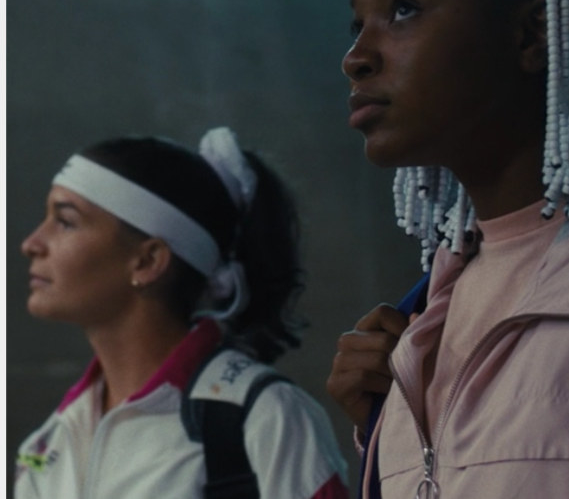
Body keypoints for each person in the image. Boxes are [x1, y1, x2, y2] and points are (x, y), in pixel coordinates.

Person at [324, 0, 569, 498]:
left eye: (403, 9)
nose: (356, 57)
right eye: (358, 24)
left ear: (531, 33)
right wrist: (378, 436)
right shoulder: (412, 329)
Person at [13, 128, 349, 499]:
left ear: (148, 260)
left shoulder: (263, 416)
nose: (31, 244)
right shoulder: (46, 445)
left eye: (65, 221)